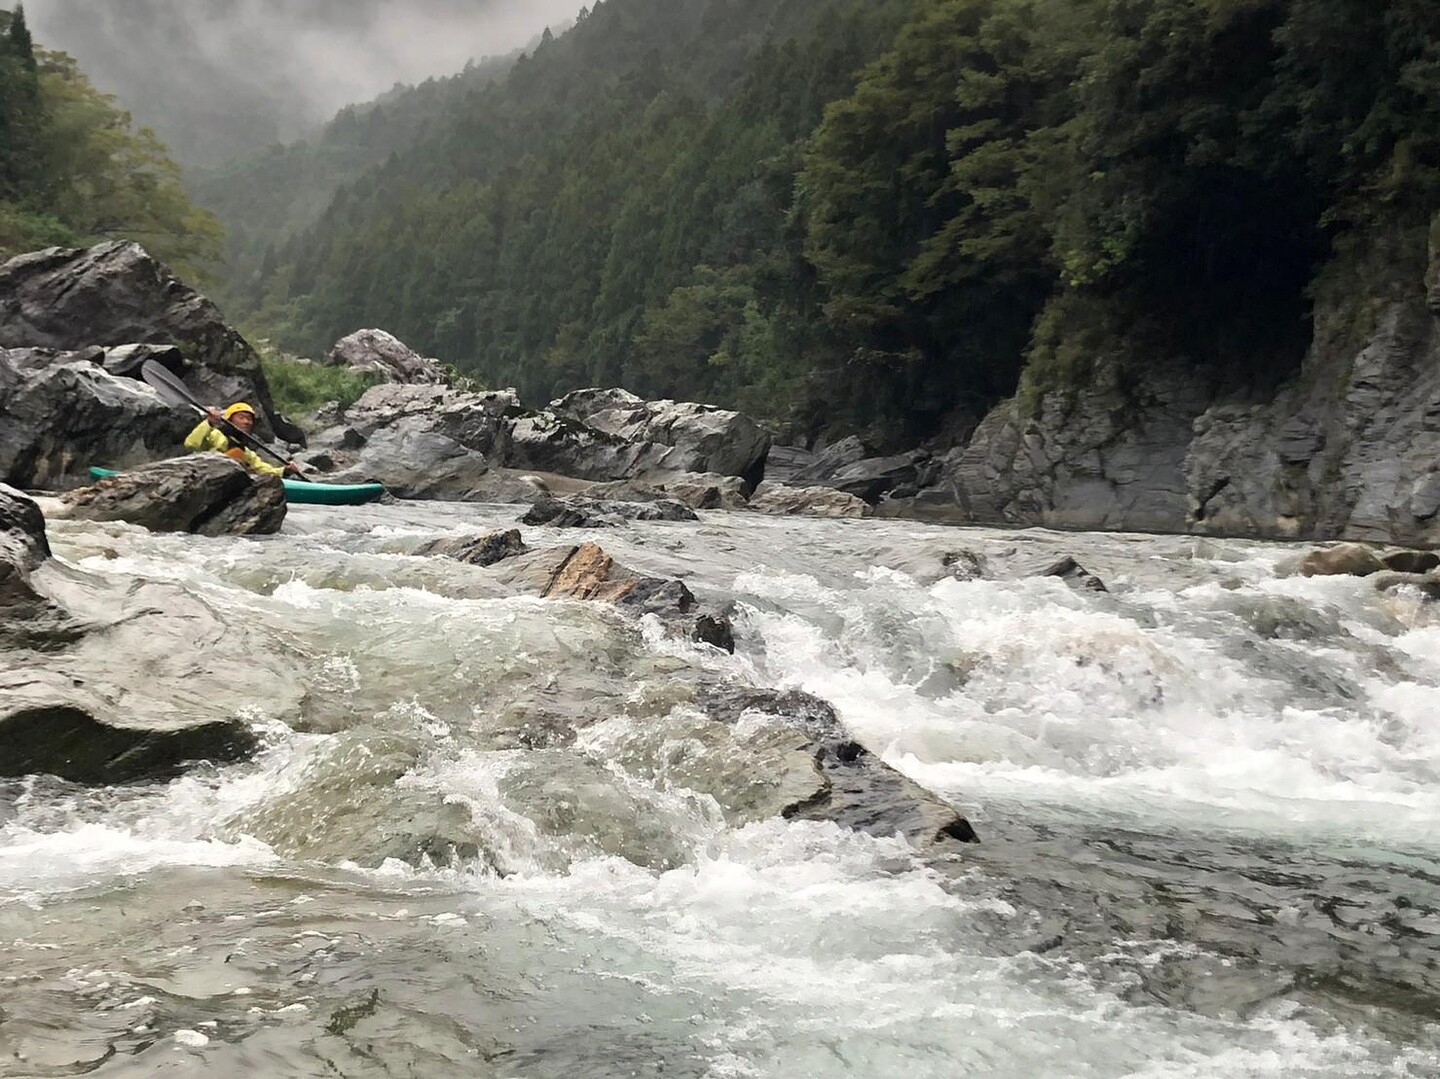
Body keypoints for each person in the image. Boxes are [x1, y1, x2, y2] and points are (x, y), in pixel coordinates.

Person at [184, 403, 303, 477]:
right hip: (205, 476)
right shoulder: (215, 434)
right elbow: (191, 444)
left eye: (249, 419)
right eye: (241, 418)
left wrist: (284, 471)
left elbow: (263, 469)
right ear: (230, 420)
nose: (247, 422)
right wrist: (209, 422)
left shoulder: (245, 451)